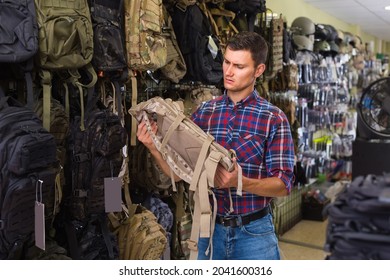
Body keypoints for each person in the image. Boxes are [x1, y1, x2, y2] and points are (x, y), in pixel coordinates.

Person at [136, 31, 295, 260]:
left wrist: (239, 182)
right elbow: (178, 174)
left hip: (254, 234)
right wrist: (153, 146)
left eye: (239, 66)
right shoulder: (204, 113)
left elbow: (283, 184)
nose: (229, 72)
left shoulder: (273, 118)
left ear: (258, 71)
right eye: (227, 62)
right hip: (208, 231)